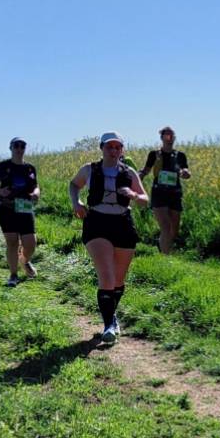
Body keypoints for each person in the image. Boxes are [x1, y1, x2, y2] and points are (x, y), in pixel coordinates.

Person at [68, 132, 149, 344]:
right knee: (107, 275)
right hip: (96, 222)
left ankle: (111, 315)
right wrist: (76, 203)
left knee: (119, 280)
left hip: (123, 223)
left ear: (122, 150)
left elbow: (144, 200)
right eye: (109, 147)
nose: (113, 151)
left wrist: (133, 196)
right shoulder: (89, 169)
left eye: (117, 147)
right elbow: (74, 184)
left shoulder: (129, 172)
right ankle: (108, 326)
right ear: (102, 148)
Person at [0, 137, 40, 287]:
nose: (19, 148)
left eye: (22, 146)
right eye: (16, 145)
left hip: (24, 206)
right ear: (10, 148)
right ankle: (13, 275)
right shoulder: (2, 166)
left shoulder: (30, 168)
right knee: (12, 242)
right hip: (6, 207)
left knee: (31, 243)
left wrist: (36, 193)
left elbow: (35, 186)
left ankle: (24, 260)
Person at [139, 126, 191, 254]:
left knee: (174, 229)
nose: (170, 138)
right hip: (159, 193)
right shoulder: (154, 154)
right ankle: (166, 258)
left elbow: (186, 172)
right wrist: (137, 176)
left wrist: (186, 173)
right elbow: (146, 170)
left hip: (175, 193)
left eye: (172, 135)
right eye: (167, 135)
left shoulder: (180, 155)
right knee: (166, 227)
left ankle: (163, 246)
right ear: (162, 138)